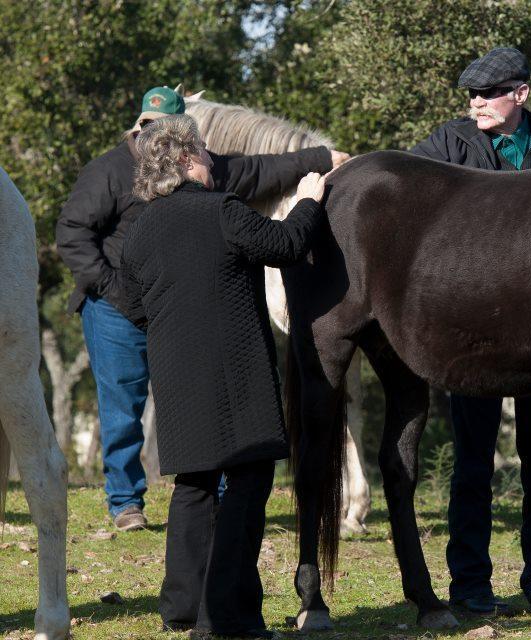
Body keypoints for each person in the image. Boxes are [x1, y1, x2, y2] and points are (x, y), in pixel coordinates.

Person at [56, 85, 348, 531]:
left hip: (174, 307)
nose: (151, 133)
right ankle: (125, 501)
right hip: (117, 305)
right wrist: (117, 290)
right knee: (122, 404)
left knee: (199, 394)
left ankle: (218, 493)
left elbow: (262, 169)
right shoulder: (108, 171)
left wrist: (322, 158)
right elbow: (73, 233)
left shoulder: (210, 172)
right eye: (147, 126)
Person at [120, 114, 328, 639]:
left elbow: (129, 301)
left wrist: (171, 330)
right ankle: (227, 617)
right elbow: (284, 245)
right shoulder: (223, 211)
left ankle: (184, 607)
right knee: (248, 483)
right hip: (235, 376)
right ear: (188, 159)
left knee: (194, 486)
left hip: (175, 376)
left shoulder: (140, 226)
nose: (213, 163)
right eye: (207, 155)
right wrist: (309, 198)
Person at [410, 47, 531, 616]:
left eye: (489, 92)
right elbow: (401, 188)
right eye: (470, 94)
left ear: (521, 95)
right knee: (473, 462)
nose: (475, 102)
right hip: (470, 331)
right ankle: (471, 586)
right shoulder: (447, 145)